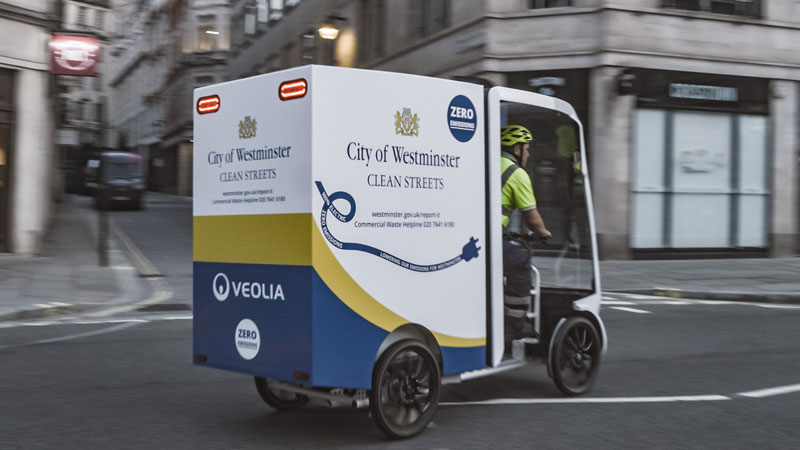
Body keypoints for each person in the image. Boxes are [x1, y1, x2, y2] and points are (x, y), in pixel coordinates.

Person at [500, 125, 551, 343]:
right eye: (527, 149)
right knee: (520, 261)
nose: (528, 154)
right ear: (517, 149)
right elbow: (532, 217)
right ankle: (514, 322)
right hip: (487, 241)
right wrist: (544, 233)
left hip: (471, 236)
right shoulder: (516, 173)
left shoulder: (483, 163)